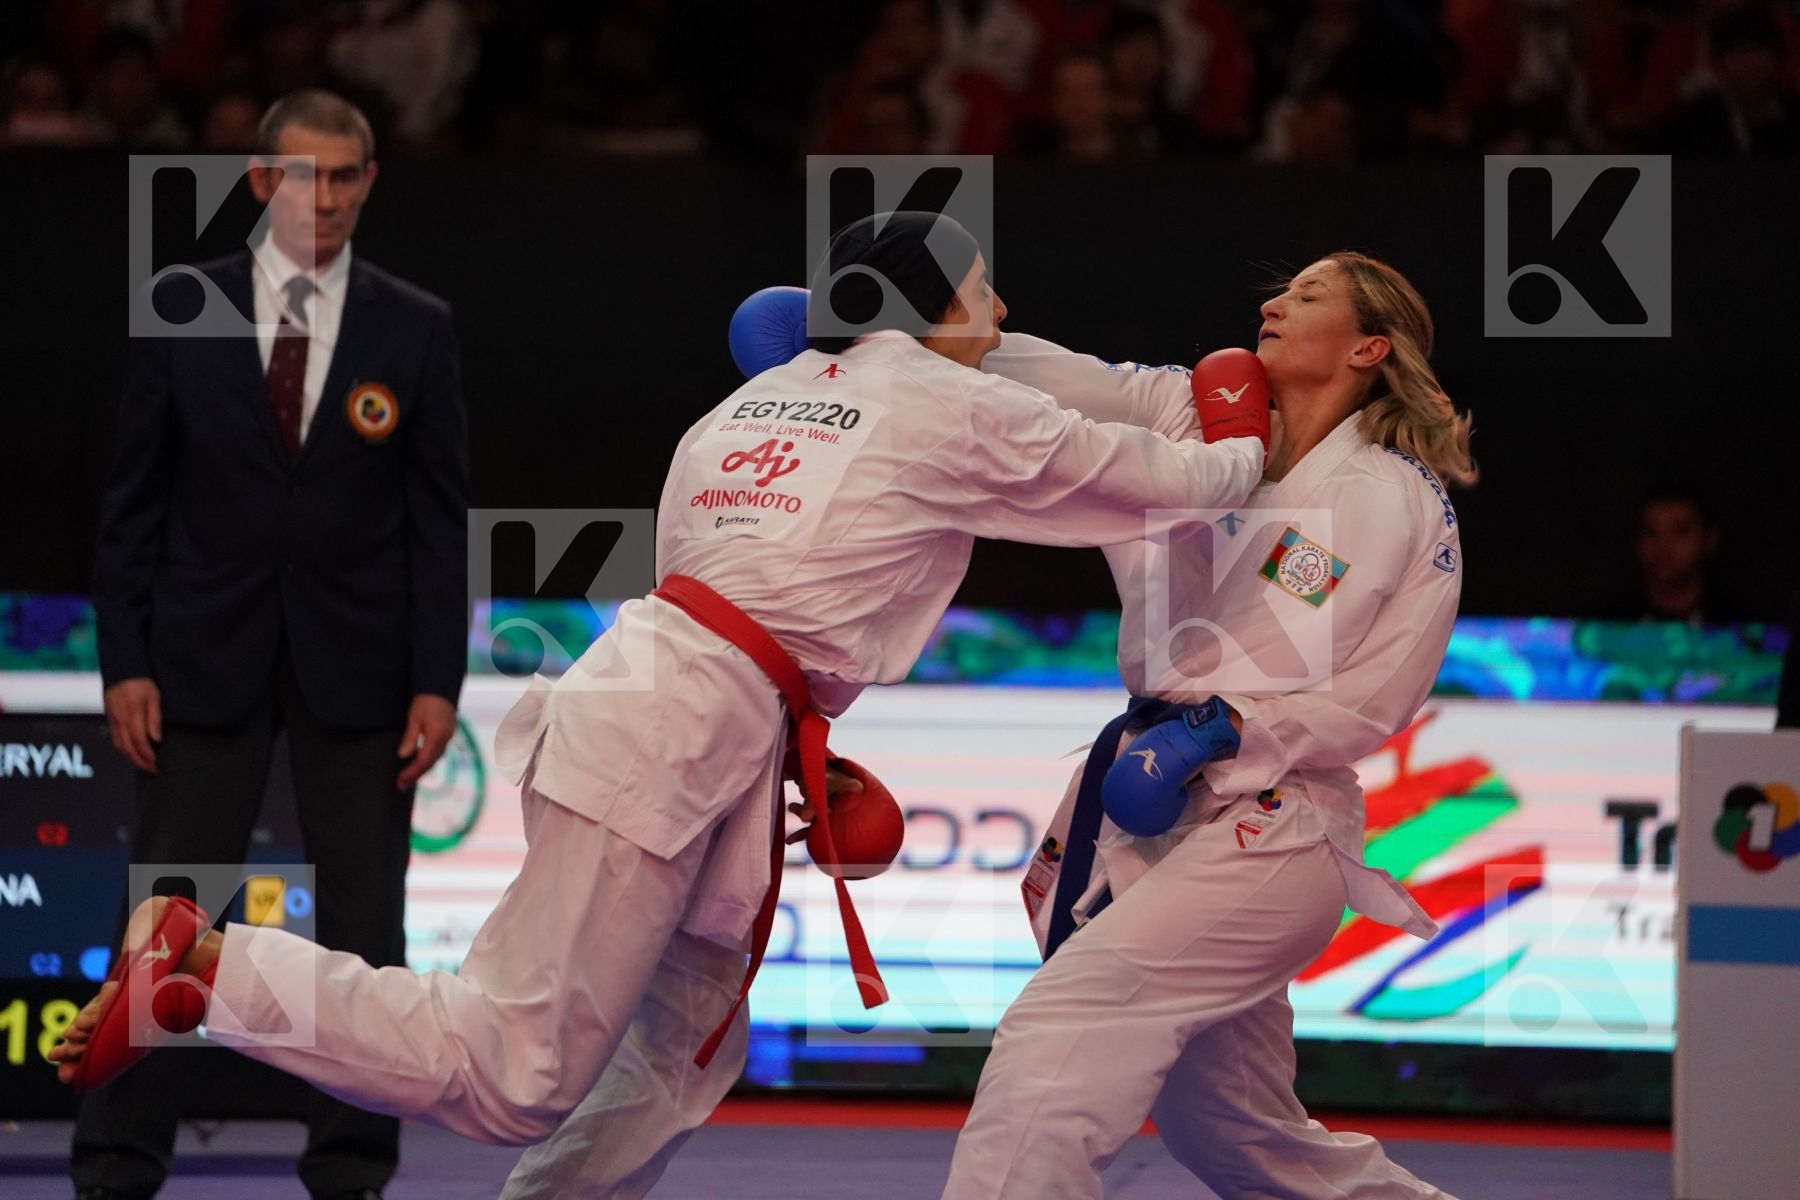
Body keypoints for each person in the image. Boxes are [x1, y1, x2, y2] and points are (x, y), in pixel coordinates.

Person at [54, 213, 1269, 1193]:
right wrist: (1242, 432)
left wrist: (793, 750)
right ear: (930, 306)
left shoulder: (749, 402)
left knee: (694, 1033)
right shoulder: (949, 403)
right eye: (986, 292)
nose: (1002, 317)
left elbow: (773, 594)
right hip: (674, 731)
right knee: (515, 1070)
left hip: (680, 710)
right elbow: (1163, 483)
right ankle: (210, 972)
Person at [940, 253, 1475, 1199]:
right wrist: (878, 347)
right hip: (1156, 788)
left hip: (1270, 819)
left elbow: (1380, 692)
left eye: (1308, 296)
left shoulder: (1387, 492)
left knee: (1065, 1029)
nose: (1273, 301)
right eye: (1278, 289)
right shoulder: (1197, 420)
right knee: (1232, 1130)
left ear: (1368, 347)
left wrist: (1229, 730)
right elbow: (1062, 378)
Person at [81, 90, 468, 1200]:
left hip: (364, 666)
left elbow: (441, 524)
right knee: (164, 908)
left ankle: (351, 1167)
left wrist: (436, 682)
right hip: (203, 654)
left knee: (362, 931)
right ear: (261, 182)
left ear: (369, 183)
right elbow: (133, 507)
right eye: (307, 178)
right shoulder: (180, 307)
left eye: (349, 177)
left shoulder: (415, 324)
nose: (329, 199)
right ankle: (116, 1161)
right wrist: (127, 660)